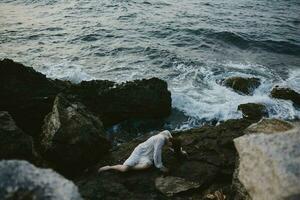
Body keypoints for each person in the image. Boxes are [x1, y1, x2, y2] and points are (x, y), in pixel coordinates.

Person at [98, 130, 186, 173]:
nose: (170, 147)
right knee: (124, 169)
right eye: (171, 145)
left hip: (148, 155)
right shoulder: (160, 139)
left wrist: (181, 151)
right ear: (170, 141)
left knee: (147, 165)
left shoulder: (167, 134)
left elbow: (174, 145)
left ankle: (131, 168)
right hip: (140, 151)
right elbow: (156, 154)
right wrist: (161, 167)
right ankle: (110, 167)